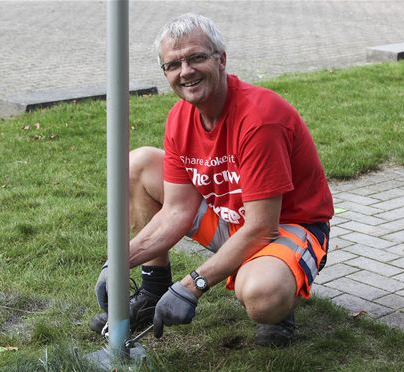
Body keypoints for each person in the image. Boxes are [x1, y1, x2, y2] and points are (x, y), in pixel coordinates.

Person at [90, 13, 333, 347]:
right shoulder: (179, 118)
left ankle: (280, 299)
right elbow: (177, 211)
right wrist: (118, 261)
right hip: (234, 219)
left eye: (196, 57)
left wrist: (193, 285)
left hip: (289, 226)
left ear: (221, 60)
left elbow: (264, 227)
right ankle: (153, 290)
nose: (185, 71)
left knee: (261, 293)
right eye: (173, 64)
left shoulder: (260, 118)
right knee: (139, 164)